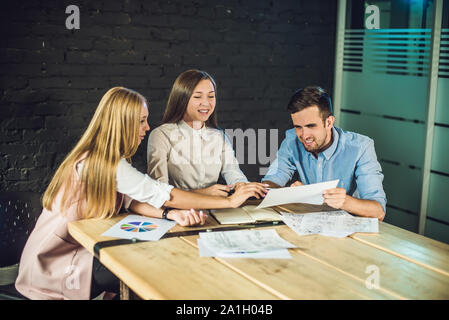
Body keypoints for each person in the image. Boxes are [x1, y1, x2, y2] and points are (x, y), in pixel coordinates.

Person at [15, 87, 266, 300]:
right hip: (57, 263)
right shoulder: (103, 163)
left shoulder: (109, 158)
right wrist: (230, 201)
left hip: (80, 249)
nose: (147, 127)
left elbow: (134, 201)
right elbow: (164, 193)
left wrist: (170, 214)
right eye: (140, 120)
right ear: (121, 123)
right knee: (149, 269)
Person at [262, 86, 386, 220]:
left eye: (311, 126)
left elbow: (378, 212)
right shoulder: (292, 141)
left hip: (348, 226)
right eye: (298, 127)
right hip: (310, 224)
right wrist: (267, 189)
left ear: (329, 122)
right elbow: (272, 180)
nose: (304, 135)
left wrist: (344, 201)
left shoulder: (361, 147)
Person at [147, 69, 264, 196]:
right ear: (182, 99)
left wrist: (242, 185)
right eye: (197, 96)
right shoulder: (161, 135)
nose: (206, 103)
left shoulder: (219, 136)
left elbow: (232, 171)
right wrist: (203, 193)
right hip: (178, 211)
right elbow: (159, 190)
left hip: (216, 208)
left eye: (211, 96)